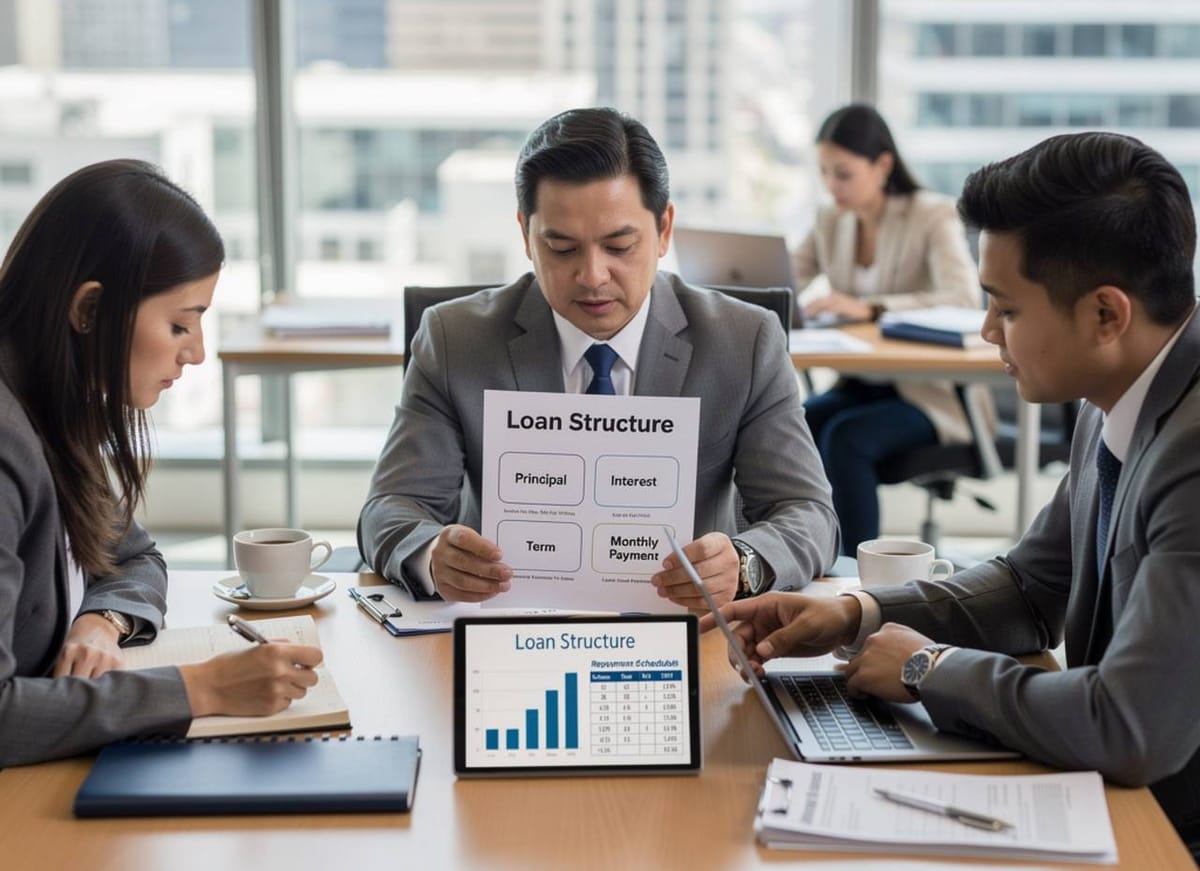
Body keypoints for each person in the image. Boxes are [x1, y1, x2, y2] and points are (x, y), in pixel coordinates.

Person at [708, 131, 1200, 852]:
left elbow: (1128, 725)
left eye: (1005, 306)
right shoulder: (1119, 396)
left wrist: (925, 667)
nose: (985, 329)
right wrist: (855, 614)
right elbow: (1034, 587)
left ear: (1106, 314)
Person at [359, 107, 839, 609]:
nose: (592, 275)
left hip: (685, 630)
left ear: (665, 229)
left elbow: (807, 514)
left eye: (619, 245)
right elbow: (390, 509)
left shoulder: (745, 341)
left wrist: (743, 563)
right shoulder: (455, 338)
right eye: (562, 248)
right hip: (510, 627)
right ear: (526, 235)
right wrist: (433, 555)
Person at [0, 159, 324, 767]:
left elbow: (134, 556)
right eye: (180, 324)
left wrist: (103, 620)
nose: (198, 353)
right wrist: (206, 687)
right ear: (91, 312)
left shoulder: (52, 407)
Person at [793, 104, 989, 553]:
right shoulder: (830, 220)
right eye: (824, 172)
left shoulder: (931, 215)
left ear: (882, 165)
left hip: (930, 394)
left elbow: (962, 297)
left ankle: (856, 575)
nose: (831, 185)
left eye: (843, 174)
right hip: (862, 384)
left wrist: (871, 308)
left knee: (845, 438)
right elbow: (785, 278)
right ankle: (801, 551)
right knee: (797, 423)